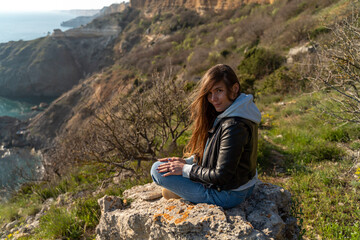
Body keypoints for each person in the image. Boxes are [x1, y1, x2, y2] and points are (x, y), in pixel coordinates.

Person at [150, 64, 261, 209]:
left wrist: (184, 169)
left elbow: (221, 176)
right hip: (242, 186)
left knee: (156, 170)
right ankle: (185, 190)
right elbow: (220, 155)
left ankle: (186, 192)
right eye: (209, 93)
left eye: (219, 91)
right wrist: (189, 161)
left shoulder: (234, 125)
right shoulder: (237, 112)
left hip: (228, 195)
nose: (213, 98)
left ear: (234, 89)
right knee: (165, 166)